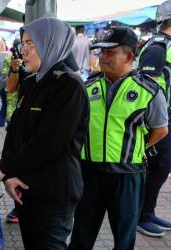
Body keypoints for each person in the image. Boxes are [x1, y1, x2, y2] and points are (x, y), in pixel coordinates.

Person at [69, 27, 169, 250]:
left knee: (124, 238)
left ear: (130, 56)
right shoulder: (89, 86)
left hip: (128, 175)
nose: (102, 57)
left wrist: (137, 148)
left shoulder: (148, 90)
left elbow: (160, 130)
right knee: (82, 234)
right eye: (101, 52)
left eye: (110, 53)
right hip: (90, 173)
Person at [0, 17, 89, 249]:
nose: (23, 51)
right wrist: (8, 176)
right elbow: (15, 132)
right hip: (25, 189)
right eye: (22, 44)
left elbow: (48, 143)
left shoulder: (69, 86)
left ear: (50, 44)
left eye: (30, 44)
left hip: (53, 192)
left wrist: (5, 166)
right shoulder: (31, 82)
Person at [136, 0, 171, 237]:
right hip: (157, 120)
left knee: (162, 167)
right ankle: (140, 215)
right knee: (158, 167)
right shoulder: (158, 46)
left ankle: (147, 211)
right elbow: (149, 87)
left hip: (165, 117)